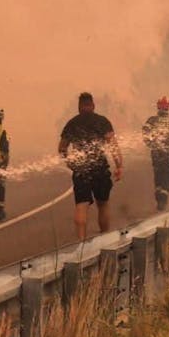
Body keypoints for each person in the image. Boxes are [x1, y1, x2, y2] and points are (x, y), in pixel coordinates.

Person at [58, 92, 122, 241]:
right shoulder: (102, 121)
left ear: (79, 107)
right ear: (93, 105)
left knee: (81, 205)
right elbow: (113, 146)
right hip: (100, 168)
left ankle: (81, 243)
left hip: (81, 169)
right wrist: (119, 166)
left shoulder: (72, 123)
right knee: (103, 204)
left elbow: (62, 148)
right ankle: (104, 238)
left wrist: (70, 163)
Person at [142, 96, 169, 210]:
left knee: (158, 172)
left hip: (155, 152)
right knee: (168, 173)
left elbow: (145, 133)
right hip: (167, 152)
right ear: (168, 107)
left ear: (158, 106)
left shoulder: (151, 120)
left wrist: (151, 144)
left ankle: (159, 193)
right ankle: (163, 197)